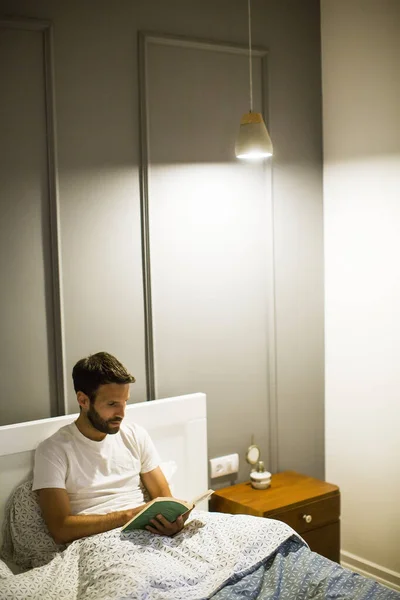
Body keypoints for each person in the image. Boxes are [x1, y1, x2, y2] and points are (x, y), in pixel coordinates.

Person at [33, 351, 189, 544]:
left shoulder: (135, 435)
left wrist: (175, 522)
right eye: (112, 404)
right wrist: (128, 515)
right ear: (83, 401)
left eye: (125, 402)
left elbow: (165, 499)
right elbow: (61, 529)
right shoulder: (53, 450)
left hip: (152, 535)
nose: (121, 413)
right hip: (102, 543)